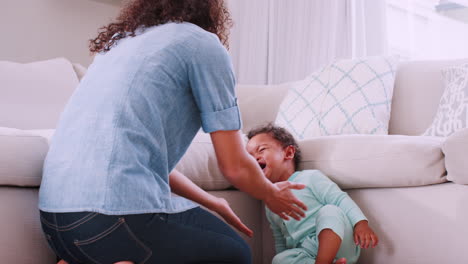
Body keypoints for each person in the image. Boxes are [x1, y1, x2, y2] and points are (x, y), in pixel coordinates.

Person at [38, 1, 308, 264]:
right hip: (113, 222)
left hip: (56, 224)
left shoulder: (119, 43)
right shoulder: (202, 45)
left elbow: (138, 163)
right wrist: (271, 194)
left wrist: (213, 202)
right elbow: (235, 166)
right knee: (235, 253)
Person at [246, 124, 379, 264]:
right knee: (279, 259)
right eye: (249, 157)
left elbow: (340, 200)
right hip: (307, 253)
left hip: (338, 243)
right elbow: (280, 240)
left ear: (289, 153)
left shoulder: (310, 178)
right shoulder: (270, 201)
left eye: (261, 150)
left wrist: (361, 224)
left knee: (330, 210)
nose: (254, 158)